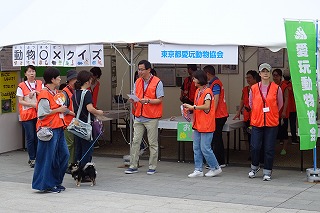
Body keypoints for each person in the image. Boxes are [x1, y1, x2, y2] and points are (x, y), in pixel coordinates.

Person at [32, 67, 70, 193]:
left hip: (58, 128)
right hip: (48, 129)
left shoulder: (55, 92)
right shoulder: (44, 94)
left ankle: (55, 181)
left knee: (64, 155)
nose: (60, 79)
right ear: (52, 79)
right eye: (58, 77)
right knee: (48, 157)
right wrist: (59, 110)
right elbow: (42, 113)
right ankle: (47, 184)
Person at [125, 60, 164, 175]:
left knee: (152, 143)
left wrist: (147, 100)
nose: (139, 72)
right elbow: (136, 95)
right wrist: (133, 100)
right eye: (139, 69)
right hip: (139, 115)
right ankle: (133, 165)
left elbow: (160, 99)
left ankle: (152, 166)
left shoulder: (157, 82)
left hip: (151, 117)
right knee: (135, 141)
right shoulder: (137, 81)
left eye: (142, 69)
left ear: (148, 70)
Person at [183, 70, 222, 178]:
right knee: (196, 147)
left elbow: (207, 106)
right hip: (198, 123)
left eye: (195, 78)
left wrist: (193, 107)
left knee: (205, 148)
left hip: (206, 124)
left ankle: (215, 167)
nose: (193, 80)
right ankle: (198, 169)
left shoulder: (208, 91)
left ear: (200, 79)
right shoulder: (198, 91)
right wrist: (190, 107)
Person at [248, 63, 283, 181]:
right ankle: (254, 167)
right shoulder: (253, 88)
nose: (265, 73)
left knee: (269, 148)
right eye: (263, 71)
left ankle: (267, 171)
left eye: (267, 71)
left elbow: (280, 104)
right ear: (259, 74)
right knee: (255, 147)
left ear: (270, 73)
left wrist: (271, 113)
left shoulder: (276, 88)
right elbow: (251, 104)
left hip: (271, 122)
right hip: (257, 121)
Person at [72, 70, 104, 169]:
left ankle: (78, 169)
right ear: (87, 81)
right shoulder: (87, 93)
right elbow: (90, 108)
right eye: (90, 79)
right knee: (87, 149)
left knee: (79, 148)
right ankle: (85, 171)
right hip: (86, 124)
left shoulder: (75, 93)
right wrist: (99, 112)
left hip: (77, 124)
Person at [16, 65, 43, 168]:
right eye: (29, 71)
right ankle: (32, 158)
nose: (32, 73)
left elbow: (45, 95)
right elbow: (21, 101)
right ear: (25, 74)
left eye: (33, 71)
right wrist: (32, 104)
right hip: (27, 115)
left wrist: (37, 92)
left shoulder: (40, 83)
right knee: (30, 137)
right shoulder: (21, 85)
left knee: (38, 136)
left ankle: (37, 157)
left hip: (39, 114)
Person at [203, 65, 228, 167]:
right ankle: (219, 161)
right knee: (216, 138)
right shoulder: (214, 83)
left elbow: (216, 99)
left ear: (208, 74)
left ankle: (218, 162)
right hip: (219, 114)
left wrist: (211, 112)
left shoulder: (215, 83)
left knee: (216, 138)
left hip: (218, 115)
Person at [233, 70, 258, 158]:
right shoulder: (245, 89)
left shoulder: (258, 88)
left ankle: (256, 154)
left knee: (256, 135)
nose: (248, 79)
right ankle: (251, 153)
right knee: (249, 134)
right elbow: (242, 100)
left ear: (255, 78)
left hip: (256, 115)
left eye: (249, 77)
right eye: (246, 77)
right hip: (247, 115)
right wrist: (239, 112)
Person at [61, 70, 77, 166]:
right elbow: (63, 108)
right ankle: (67, 164)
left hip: (74, 122)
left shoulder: (74, 90)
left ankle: (72, 162)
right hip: (67, 123)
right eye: (74, 79)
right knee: (69, 144)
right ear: (70, 80)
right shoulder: (64, 93)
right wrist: (74, 113)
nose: (76, 81)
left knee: (73, 144)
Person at [272, 68, 289, 155]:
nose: (275, 77)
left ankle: (284, 148)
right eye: (273, 75)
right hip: (273, 113)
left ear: (280, 76)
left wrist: (284, 111)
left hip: (282, 112)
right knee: (274, 131)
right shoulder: (271, 86)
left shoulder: (284, 86)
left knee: (283, 130)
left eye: (276, 75)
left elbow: (286, 99)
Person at [283, 70, 298, 145]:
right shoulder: (293, 85)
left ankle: (282, 140)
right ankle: (294, 139)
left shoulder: (282, 85)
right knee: (292, 124)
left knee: (284, 125)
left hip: (285, 109)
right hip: (292, 108)